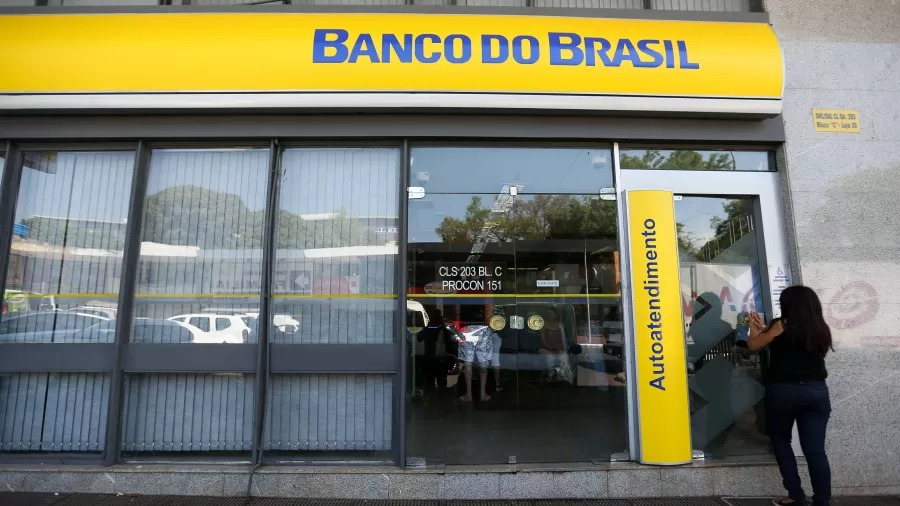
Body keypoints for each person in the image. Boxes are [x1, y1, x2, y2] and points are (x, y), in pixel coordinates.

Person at [748, 285, 833, 506]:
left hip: (784, 391)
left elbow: (754, 345)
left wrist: (754, 328)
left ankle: (795, 495)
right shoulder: (820, 328)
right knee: (815, 450)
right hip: (816, 391)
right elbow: (790, 341)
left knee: (781, 440)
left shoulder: (780, 325)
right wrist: (767, 329)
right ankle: (822, 501)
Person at [416, 308, 458, 396]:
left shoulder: (427, 329)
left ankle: (429, 398)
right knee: (441, 381)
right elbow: (450, 343)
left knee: (429, 381)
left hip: (429, 359)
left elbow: (419, 338)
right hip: (441, 360)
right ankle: (441, 398)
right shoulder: (443, 329)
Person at [539, 306, 571, 382]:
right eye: (548, 314)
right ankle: (550, 375)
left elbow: (562, 339)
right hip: (545, 349)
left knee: (564, 356)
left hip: (557, 349)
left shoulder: (560, 325)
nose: (549, 315)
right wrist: (550, 349)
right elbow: (543, 339)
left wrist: (559, 348)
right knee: (550, 357)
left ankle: (562, 375)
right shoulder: (544, 325)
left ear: (556, 315)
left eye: (551, 313)